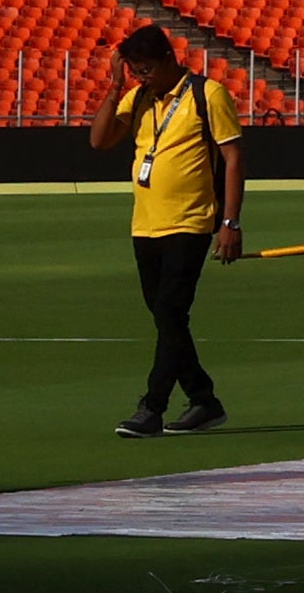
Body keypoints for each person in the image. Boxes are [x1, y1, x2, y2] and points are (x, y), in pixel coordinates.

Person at [89, 23, 242, 437]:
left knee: (171, 312)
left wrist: (230, 223)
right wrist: (114, 87)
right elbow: (100, 140)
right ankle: (204, 400)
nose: (142, 78)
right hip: (146, 224)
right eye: (135, 70)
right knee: (166, 317)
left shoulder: (206, 95)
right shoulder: (137, 98)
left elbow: (232, 159)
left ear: (169, 61)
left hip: (191, 223)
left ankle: (152, 406)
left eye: (146, 70)